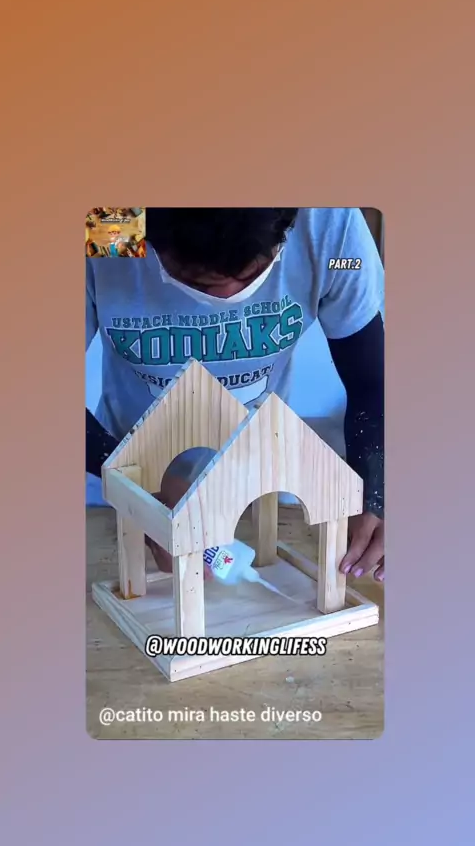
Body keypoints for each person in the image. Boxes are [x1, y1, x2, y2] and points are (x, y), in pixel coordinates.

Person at [86, 208, 384, 581]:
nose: (229, 293)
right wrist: (140, 486)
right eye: (197, 280)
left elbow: (372, 383)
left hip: (258, 485)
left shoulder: (323, 221)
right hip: (118, 476)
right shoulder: (113, 223)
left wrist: (378, 489)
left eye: (251, 273)